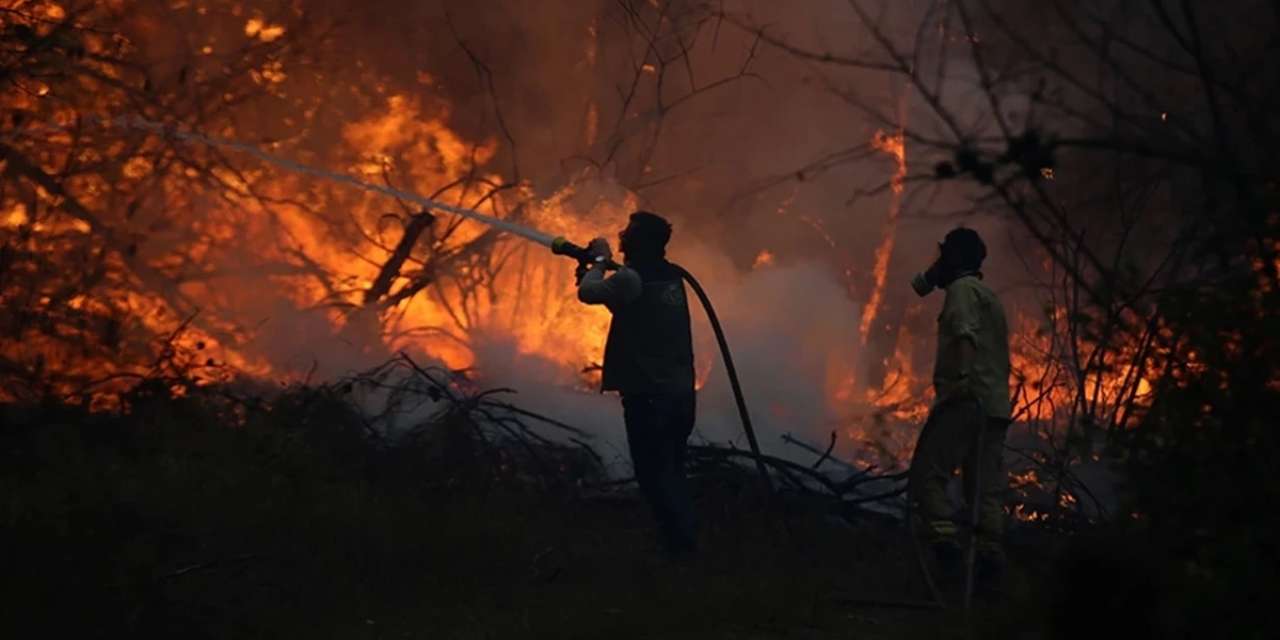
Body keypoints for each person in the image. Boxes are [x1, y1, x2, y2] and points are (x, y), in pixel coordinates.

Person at [576, 211, 698, 556]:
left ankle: (678, 548)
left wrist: (599, 260)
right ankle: (681, 542)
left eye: (628, 233)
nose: (621, 235)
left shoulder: (633, 278)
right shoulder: (671, 277)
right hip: (679, 394)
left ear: (641, 242)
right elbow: (634, 307)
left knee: (652, 473)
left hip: (649, 395)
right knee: (672, 469)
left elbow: (588, 293)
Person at [906, 227, 1012, 595]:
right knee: (984, 490)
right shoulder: (990, 297)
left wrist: (960, 384)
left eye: (943, 256)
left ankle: (945, 550)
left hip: (966, 401)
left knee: (928, 475)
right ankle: (988, 564)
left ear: (952, 258)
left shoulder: (962, 292)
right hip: (996, 407)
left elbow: (964, 335)